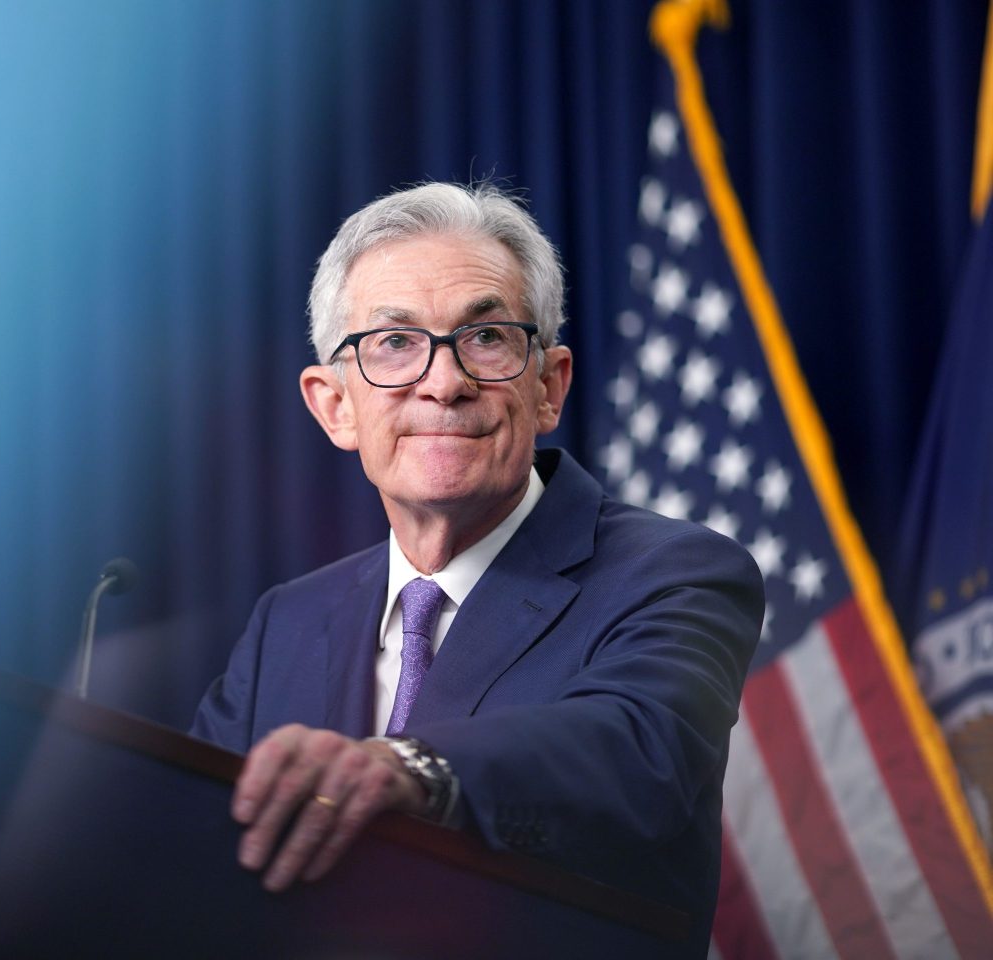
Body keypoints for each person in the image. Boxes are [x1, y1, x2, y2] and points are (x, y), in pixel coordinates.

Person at [191, 182, 763, 949]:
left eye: (486, 338)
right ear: (334, 406)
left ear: (549, 386)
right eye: (394, 343)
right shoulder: (287, 623)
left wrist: (412, 767)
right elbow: (197, 848)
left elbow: (639, 752)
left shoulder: (677, 573)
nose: (443, 381)